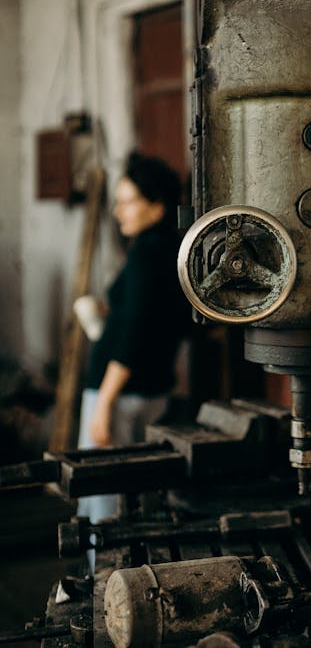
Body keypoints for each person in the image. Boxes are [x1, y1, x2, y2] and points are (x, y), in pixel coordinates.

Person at [77, 151, 191, 523]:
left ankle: (104, 581)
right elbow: (159, 322)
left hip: (120, 393)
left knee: (104, 502)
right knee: (136, 496)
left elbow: (135, 331)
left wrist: (105, 402)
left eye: (127, 202)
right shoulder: (175, 251)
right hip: (152, 389)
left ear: (156, 208)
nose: (117, 211)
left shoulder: (144, 253)